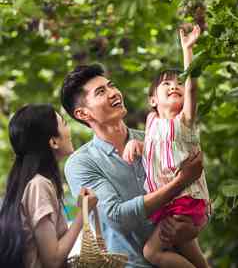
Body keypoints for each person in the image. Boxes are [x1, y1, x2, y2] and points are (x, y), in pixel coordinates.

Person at [61, 63, 204, 268]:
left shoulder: (154, 139)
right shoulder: (81, 163)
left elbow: (192, 193)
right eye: (101, 92)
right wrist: (181, 181)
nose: (113, 93)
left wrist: (193, 228)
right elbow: (118, 217)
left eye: (111, 86)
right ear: (83, 114)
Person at [123, 25, 210, 267]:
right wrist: (136, 143)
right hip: (167, 200)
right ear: (152, 100)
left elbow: (192, 87)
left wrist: (188, 49)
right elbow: (155, 146)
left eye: (178, 84)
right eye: (166, 85)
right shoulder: (152, 122)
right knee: (191, 253)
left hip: (183, 199)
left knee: (152, 253)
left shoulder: (184, 121)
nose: (174, 86)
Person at [0, 104, 97, 268]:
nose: (69, 130)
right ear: (53, 141)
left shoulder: (35, 183)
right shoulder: (39, 186)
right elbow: (52, 260)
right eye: (64, 124)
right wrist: (83, 214)